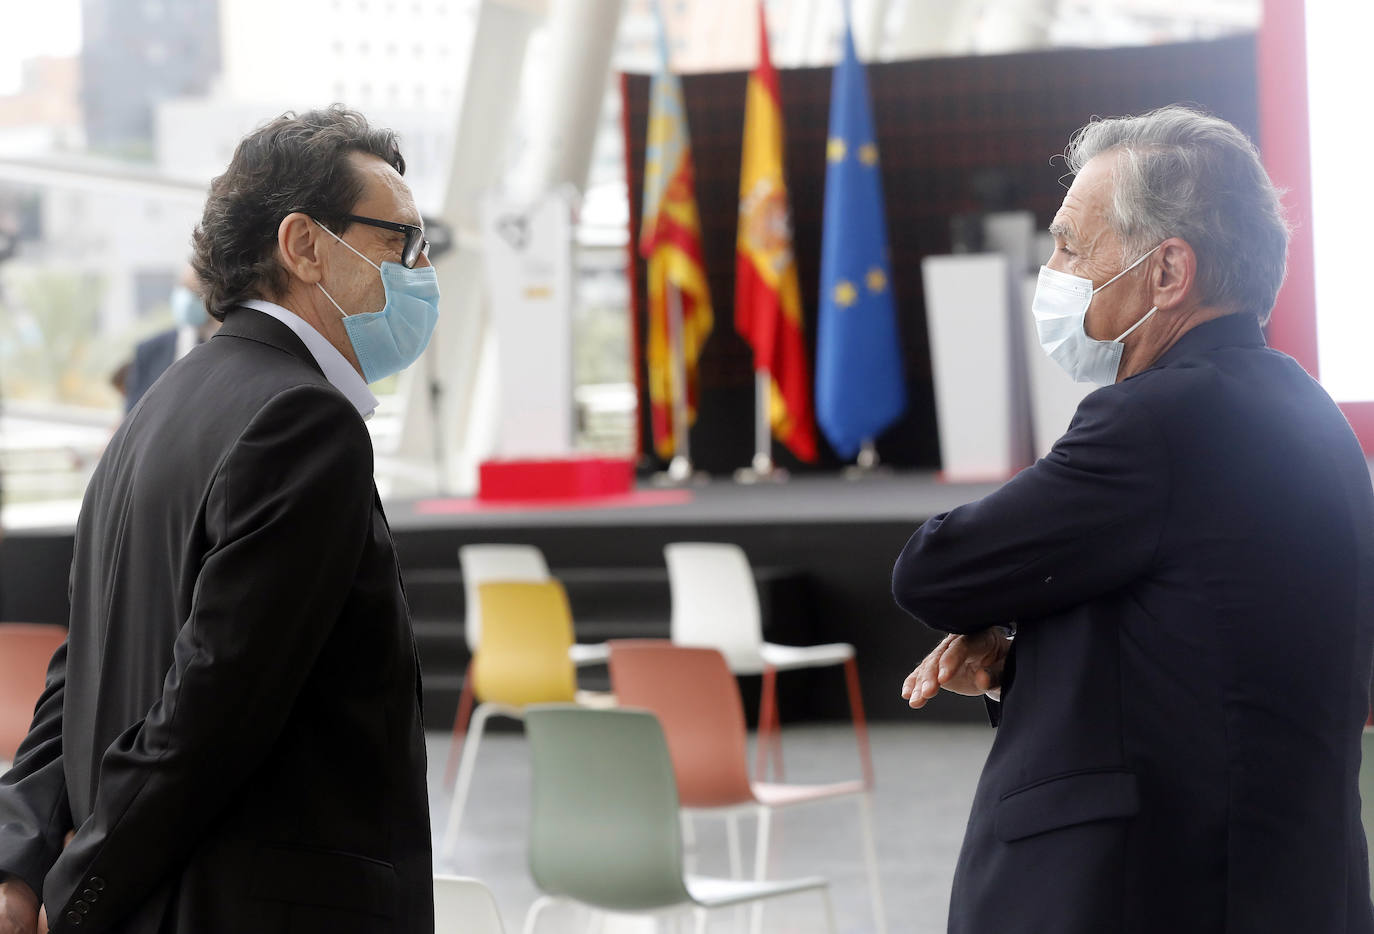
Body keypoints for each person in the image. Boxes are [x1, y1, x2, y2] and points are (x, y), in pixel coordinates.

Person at [893, 105, 1374, 933]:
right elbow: (1207, 641)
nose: (1054, 268)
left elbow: (936, 569)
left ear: (1166, 272)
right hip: (1290, 883)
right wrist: (1022, 654)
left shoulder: (1153, 422)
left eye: (1073, 246)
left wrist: (1002, 618)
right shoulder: (1309, 413)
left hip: (1153, 892)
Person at [0, 106, 440, 934]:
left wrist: (21, 863)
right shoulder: (304, 421)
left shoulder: (157, 408)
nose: (421, 272)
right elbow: (210, 713)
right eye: (402, 243)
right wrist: (75, 892)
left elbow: (80, 668)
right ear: (305, 246)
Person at [122, 265, 222, 412]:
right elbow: (132, 415)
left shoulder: (230, 349)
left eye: (195, 293)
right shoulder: (150, 350)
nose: (186, 299)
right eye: (182, 288)